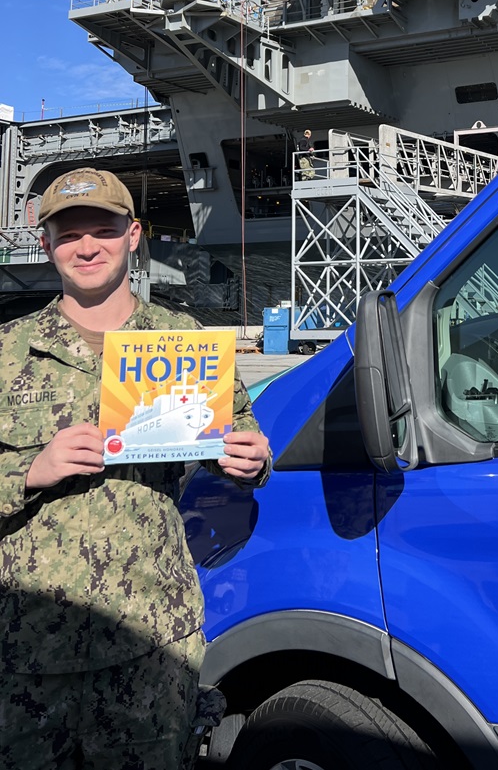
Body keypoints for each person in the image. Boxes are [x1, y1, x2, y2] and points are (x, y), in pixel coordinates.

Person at [0, 167, 271, 770]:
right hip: (26, 649)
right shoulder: (7, 352)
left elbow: (242, 432)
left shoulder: (182, 342)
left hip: (148, 635)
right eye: (69, 235)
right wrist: (28, 472)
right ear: (45, 244)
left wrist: (250, 459)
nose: (87, 247)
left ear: (134, 235)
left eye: (104, 229)